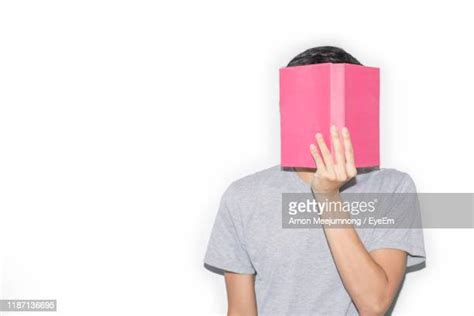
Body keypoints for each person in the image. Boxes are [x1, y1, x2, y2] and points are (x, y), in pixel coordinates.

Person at [204, 46, 426, 316]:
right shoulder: (243, 197)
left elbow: (374, 304)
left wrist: (328, 197)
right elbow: (240, 311)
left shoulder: (393, 188)